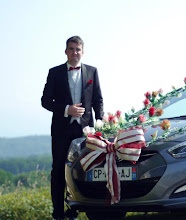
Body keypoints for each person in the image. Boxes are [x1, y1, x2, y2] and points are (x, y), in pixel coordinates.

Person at [41, 36, 104, 220]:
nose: (75, 52)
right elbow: (45, 101)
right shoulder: (55, 73)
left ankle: (90, 210)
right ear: (66, 51)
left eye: (78, 49)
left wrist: (99, 125)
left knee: (89, 169)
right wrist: (67, 109)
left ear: (82, 52)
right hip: (62, 130)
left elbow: (98, 100)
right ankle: (59, 214)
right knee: (59, 171)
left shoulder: (92, 72)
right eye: (71, 49)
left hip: (86, 131)